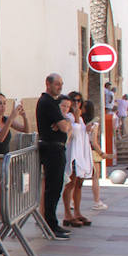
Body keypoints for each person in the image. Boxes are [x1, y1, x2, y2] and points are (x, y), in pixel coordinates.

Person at [35, 73, 72, 239]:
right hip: (51, 149)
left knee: (56, 187)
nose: (60, 87)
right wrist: (63, 123)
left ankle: (52, 222)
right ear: (48, 84)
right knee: (52, 188)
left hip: (57, 149)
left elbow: (65, 125)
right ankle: (50, 224)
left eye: (61, 84)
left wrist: (63, 123)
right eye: (57, 84)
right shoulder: (47, 102)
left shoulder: (53, 103)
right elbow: (64, 127)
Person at [61, 94, 91, 227]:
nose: (76, 103)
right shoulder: (69, 116)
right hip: (72, 153)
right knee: (70, 184)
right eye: (74, 100)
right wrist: (78, 118)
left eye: (79, 101)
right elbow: (75, 132)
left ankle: (78, 212)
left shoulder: (79, 117)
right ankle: (68, 213)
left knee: (79, 183)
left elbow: (82, 133)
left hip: (81, 154)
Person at [84, 100, 110, 211]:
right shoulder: (94, 124)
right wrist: (102, 153)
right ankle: (97, 201)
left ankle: (71, 201)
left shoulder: (79, 122)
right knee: (95, 177)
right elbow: (94, 141)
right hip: (91, 151)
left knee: (76, 179)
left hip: (80, 150)